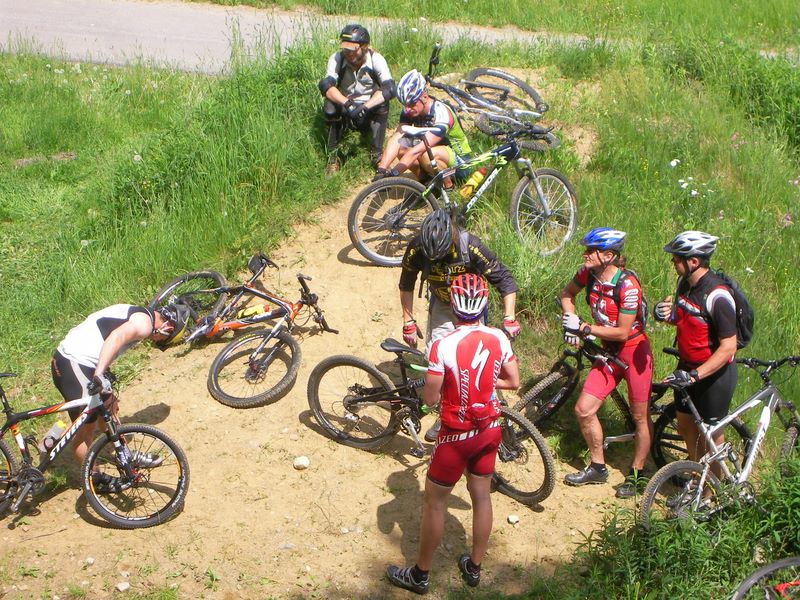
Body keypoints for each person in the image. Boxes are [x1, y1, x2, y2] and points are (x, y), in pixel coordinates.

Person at [386, 273, 519, 595]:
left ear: (454, 305)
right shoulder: (499, 337)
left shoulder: (443, 345)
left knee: (435, 502)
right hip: (489, 429)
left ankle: (420, 575)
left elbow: (431, 398)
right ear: (483, 304)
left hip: (456, 436)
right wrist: (484, 384)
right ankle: (474, 566)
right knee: (482, 496)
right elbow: (513, 381)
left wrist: (450, 385)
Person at [400, 208, 520, 442]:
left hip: (471, 307)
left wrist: (509, 317)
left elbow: (504, 279)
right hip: (443, 304)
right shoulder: (417, 248)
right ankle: (446, 412)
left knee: (474, 360)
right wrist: (408, 321)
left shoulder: (470, 245)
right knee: (439, 359)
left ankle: (480, 403)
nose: (437, 259)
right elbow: (406, 283)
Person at [51, 302, 189, 491]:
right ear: (168, 327)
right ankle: (95, 479)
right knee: (86, 428)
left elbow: (103, 335)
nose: (156, 341)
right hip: (72, 363)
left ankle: (125, 456)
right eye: (163, 339)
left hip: (84, 362)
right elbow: (116, 337)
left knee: (109, 408)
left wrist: (104, 377)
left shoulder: (142, 314)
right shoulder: (144, 325)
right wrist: (99, 375)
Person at [560, 228, 653, 498]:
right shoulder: (587, 274)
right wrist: (570, 319)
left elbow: (622, 332)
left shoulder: (628, 285)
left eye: (592, 251)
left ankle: (637, 474)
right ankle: (598, 467)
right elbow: (567, 294)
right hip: (608, 352)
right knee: (583, 409)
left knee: (640, 417)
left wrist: (584, 328)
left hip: (634, 352)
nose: (585, 254)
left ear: (609, 255)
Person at [655, 231, 737, 474]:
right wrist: (667, 315)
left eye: (677, 258)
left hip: (714, 375)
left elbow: (728, 346)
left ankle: (712, 489)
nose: (672, 262)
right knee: (685, 426)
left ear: (694, 261)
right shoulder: (685, 283)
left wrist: (696, 375)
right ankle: (698, 475)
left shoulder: (718, 296)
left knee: (711, 438)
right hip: (687, 367)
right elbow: (689, 319)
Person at [318, 23, 394, 174]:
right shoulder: (337, 58)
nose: (349, 53)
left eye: (353, 49)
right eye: (346, 49)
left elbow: (390, 88)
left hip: (368, 108)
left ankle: (377, 154)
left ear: (364, 47)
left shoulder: (376, 59)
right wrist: (347, 103)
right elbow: (326, 86)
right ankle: (333, 158)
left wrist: (365, 107)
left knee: (383, 103)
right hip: (346, 106)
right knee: (330, 106)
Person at [374, 69, 472, 184]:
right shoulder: (410, 110)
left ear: (424, 97)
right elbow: (397, 138)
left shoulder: (441, 113)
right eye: (405, 105)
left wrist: (393, 174)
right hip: (435, 153)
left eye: (412, 104)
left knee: (426, 155)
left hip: (461, 164)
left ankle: (448, 187)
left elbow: (416, 152)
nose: (408, 109)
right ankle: (425, 182)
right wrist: (381, 170)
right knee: (402, 147)